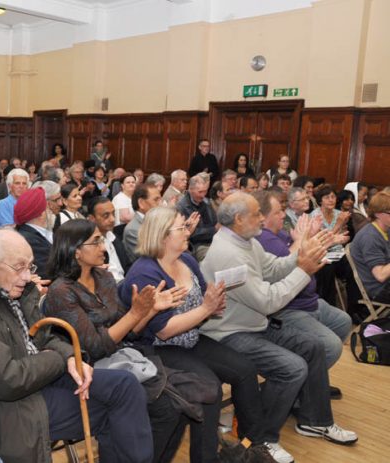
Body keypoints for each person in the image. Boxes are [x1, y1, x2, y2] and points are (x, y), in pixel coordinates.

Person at [0, 228, 154, 463]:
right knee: (116, 410)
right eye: (18, 267)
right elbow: (8, 380)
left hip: (41, 376)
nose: (26, 276)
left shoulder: (16, 289)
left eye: (30, 267)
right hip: (11, 407)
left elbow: (46, 336)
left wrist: (71, 356)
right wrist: (59, 359)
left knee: (125, 385)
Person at [200, 193, 357, 461]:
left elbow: (272, 268)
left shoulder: (245, 241)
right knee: (291, 368)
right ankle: (262, 438)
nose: (262, 217)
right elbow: (268, 302)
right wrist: (303, 271)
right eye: (256, 214)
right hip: (230, 333)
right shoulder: (228, 253)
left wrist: (300, 257)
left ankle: (314, 420)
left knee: (313, 346)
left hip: (253, 324)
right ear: (238, 219)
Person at [119, 207, 277, 462]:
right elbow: (164, 329)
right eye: (181, 228)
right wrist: (206, 309)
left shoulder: (186, 260)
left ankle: (254, 443)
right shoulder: (145, 272)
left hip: (190, 339)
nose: (187, 232)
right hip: (158, 348)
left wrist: (212, 304)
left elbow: (203, 300)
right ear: (162, 236)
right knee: (209, 388)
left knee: (245, 369)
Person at [46, 219, 192, 463]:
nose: (103, 247)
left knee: (176, 407)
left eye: (102, 239)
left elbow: (130, 331)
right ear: (76, 251)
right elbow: (94, 347)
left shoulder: (103, 278)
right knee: (166, 409)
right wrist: (136, 313)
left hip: (119, 359)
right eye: (96, 241)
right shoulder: (61, 291)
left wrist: (150, 310)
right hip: (87, 370)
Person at [253, 190, 352, 371]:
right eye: (278, 212)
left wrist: (311, 236)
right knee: (331, 345)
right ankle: (303, 384)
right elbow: (289, 263)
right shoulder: (264, 238)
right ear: (263, 216)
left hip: (307, 301)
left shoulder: (279, 233)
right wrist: (303, 239)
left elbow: (303, 247)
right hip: (289, 307)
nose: (284, 215)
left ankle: (315, 378)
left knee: (343, 321)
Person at [350, 191, 390, 304]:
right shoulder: (370, 237)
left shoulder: (386, 229)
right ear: (378, 214)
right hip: (380, 289)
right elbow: (380, 275)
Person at [87, 197, 132, 282]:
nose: (112, 219)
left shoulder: (115, 238)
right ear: (92, 218)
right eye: (106, 216)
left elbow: (127, 266)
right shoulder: (89, 246)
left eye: (113, 214)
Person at [14, 187, 53, 280]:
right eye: (47, 208)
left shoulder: (36, 233)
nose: (50, 211)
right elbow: (47, 274)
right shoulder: (30, 240)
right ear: (41, 214)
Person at [176, 175, 218, 261]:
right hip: (196, 245)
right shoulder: (182, 206)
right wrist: (214, 229)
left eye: (205, 191)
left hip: (212, 241)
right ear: (191, 190)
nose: (203, 195)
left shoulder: (206, 202)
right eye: (200, 192)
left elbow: (215, 221)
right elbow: (192, 233)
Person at [124, 183, 164, 263]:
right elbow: (153, 258)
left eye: (160, 200)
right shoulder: (133, 230)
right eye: (156, 200)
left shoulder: (157, 221)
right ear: (141, 203)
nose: (161, 204)